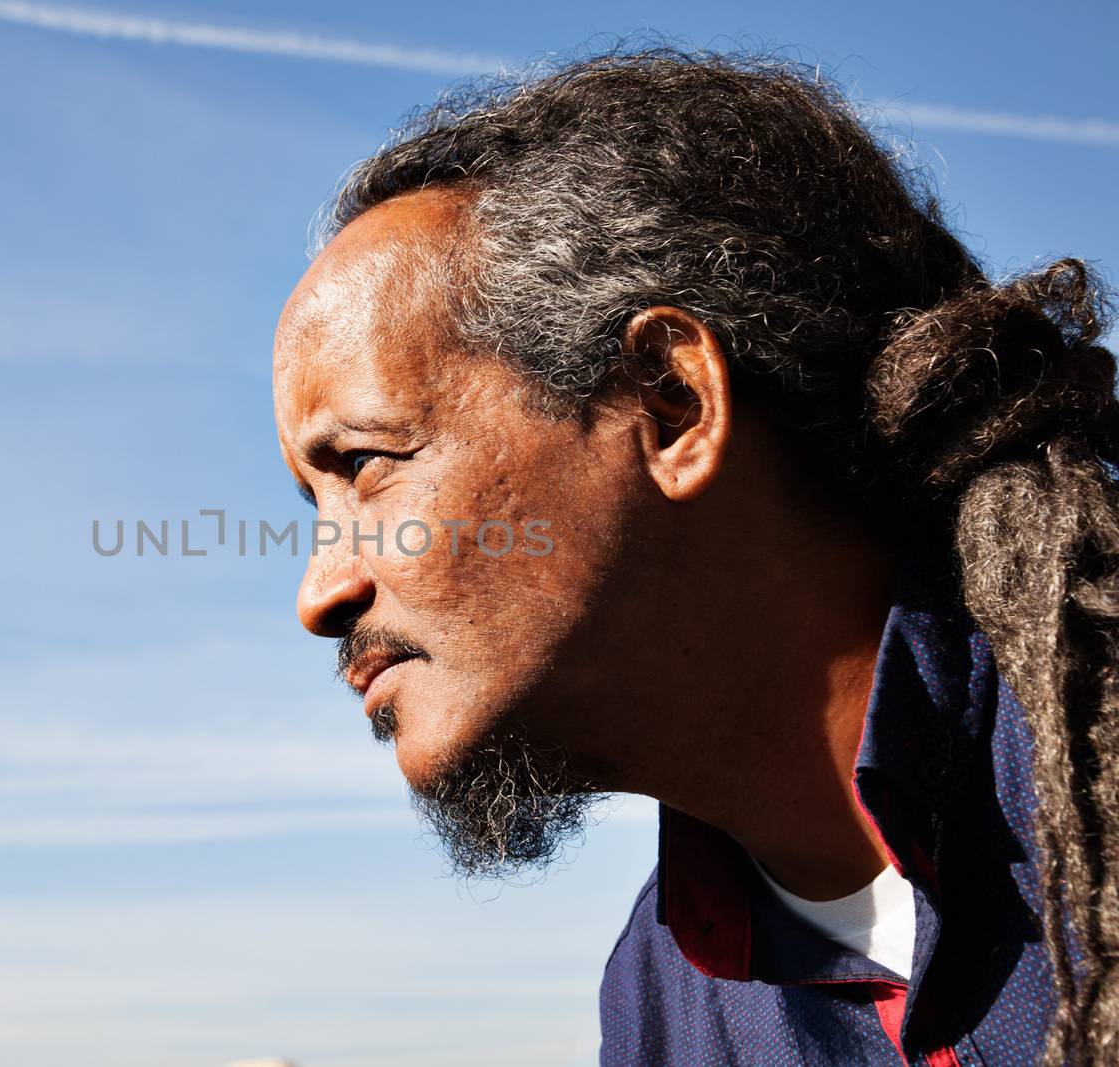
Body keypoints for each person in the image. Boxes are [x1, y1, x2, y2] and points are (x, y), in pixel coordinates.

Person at [271, 51, 1119, 1065]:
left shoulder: (1085, 748)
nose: (319, 593)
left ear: (670, 403)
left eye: (365, 464)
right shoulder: (662, 997)